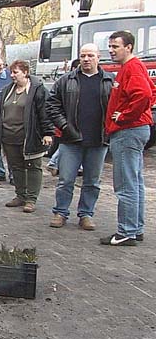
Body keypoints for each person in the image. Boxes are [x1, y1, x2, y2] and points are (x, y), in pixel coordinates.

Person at [46, 45, 113, 230]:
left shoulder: (109, 81)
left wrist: (111, 128)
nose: (86, 59)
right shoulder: (66, 80)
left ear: (98, 57)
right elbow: (52, 105)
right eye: (83, 55)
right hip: (71, 140)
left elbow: (117, 106)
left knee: (92, 181)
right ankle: (60, 212)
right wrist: (65, 127)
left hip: (98, 140)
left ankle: (86, 214)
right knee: (65, 180)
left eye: (90, 55)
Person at [100, 30, 156, 246]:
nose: (111, 50)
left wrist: (124, 116)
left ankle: (126, 231)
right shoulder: (134, 67)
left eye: (116, 46)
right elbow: (151, 90)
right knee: (135, 181)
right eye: (110, 46)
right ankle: (135, 228)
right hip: (135, 129)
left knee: (126, 184)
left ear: (129, 47)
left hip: (128, 131)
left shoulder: (131, 67)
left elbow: (143, 94)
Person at [0, 60, 54, 213]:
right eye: (11, 72)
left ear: (25, 72)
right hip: (9, 137)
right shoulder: (7, 91)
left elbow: (45, 112)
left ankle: (31, 199)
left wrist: (47, 132)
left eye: (15, 72)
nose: (12, 75)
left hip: (30, 136)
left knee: (33, 167)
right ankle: (20, 195)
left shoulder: (37, 90)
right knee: (16, 167)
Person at [46, 59, 83, 177]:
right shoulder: (64, 82)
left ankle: (55, 163)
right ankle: (54, 163)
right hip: (67, 127)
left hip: (86, 131)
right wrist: (64, 124)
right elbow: (52, 104)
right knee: (64, 147)